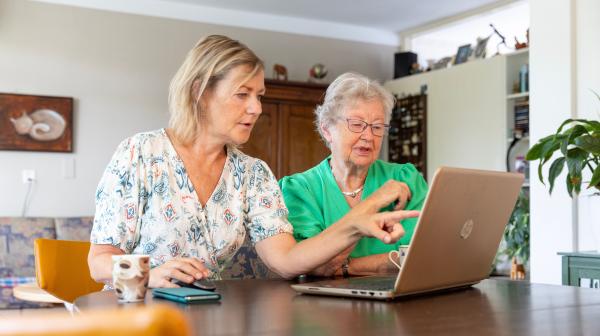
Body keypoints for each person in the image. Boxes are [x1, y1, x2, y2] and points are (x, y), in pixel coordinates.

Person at [88, 35, 419, 288]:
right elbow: (99, 262)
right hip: (136, 316)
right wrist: (153, 274)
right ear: (200, 92)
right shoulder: (140, 153)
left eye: (259, 96)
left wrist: (354, 224)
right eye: (242, 94)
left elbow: (288, 260)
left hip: (209, 315)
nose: (256, 108)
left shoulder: (253, 174)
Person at [279, 72, 428, 277]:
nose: (368, 136)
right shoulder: (300, 189)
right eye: (357, 124)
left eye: (377, 127)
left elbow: (425, 255)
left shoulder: (405, 178)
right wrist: (374, 202)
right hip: (326, 306)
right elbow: (314, 267)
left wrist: (351, 266)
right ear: (327, 130)